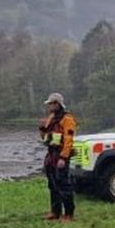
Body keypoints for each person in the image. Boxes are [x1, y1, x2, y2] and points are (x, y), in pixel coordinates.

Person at [39, 92, 77, 221]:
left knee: (64, 184)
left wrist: (63, 158)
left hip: (61, 155)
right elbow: (45, 139)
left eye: (51, 104)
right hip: (51, 154)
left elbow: (68, 140)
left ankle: (69, 214)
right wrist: (42, 129)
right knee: (52, 184)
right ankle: (55, 212)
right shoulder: (50, 118)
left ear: (57, 104)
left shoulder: (68, 119)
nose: (49, 106)